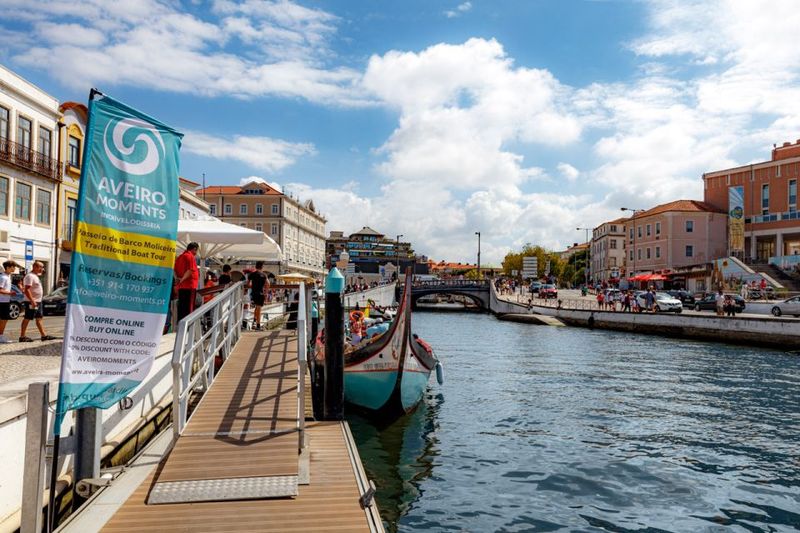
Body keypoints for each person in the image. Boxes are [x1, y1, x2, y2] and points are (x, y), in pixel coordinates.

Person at [20, 261, 56, 342]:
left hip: (38, 301)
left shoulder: (35, 276)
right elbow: (27, 289)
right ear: (35, 267)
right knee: (27, 318)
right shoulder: (30, 276)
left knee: (39, 318)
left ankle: (44, 335)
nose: (42, 269)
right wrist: (32, 300)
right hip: (32, 302)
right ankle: (22, 336)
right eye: (41, 267)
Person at [174, 242, 199, 323]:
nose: (196, 253)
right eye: (196, 250)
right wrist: (182, 280)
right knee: (189, 308)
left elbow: (174, 269)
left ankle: (180, 325)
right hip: (190, 286)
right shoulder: (190, 256)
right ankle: (187, 327)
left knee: (182, 307)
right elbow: (190, 270)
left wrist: (177, 279)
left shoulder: (180, 257)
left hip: (182, 287)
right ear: (194, 249)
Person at [0, 260, 19, 343]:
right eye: (13, 267)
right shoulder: (3, 277)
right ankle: (0, 336)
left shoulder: (7, 277)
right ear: (7, 267)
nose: (14, 268)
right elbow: (0, 290)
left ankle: (1, 335)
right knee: (3, 319)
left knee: (4, 319)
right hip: (2, 301)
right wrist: (10, 293)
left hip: (5, 301)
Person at [247, 261, 268, 330]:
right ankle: (258, 326)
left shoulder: (252, 274)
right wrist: (266, 292)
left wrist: (252, 286)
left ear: (256, 266)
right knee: (259, 309)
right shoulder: (264, 275)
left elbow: (248, 284)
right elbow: (268, 283)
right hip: (261, 293)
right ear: (262, 267)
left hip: (254, 293)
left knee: (256, 307)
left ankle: (254, 321)